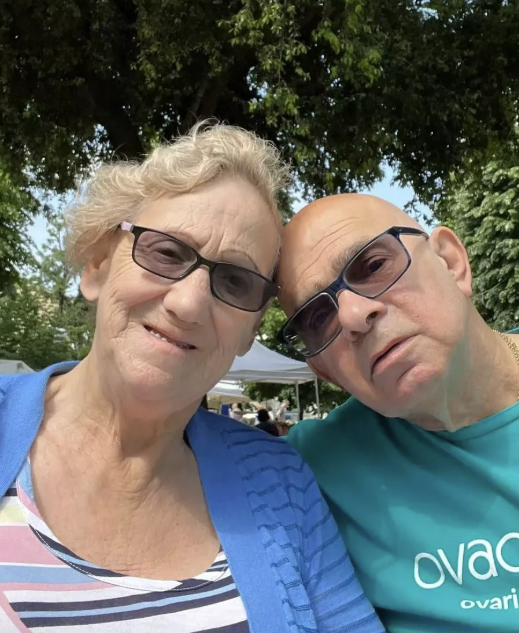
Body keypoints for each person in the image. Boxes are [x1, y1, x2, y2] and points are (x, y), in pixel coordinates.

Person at [0, 132, 384, 633]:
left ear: (250, 329)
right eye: (166, 252)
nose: (188, 303)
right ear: (97, 266)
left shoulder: (281, 485)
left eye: (235, 282)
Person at [276, 192, 519, 633]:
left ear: (452, 263)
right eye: (318, 318)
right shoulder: (301, 472)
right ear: (323, 369)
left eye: (373, 266)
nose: (353, 315)